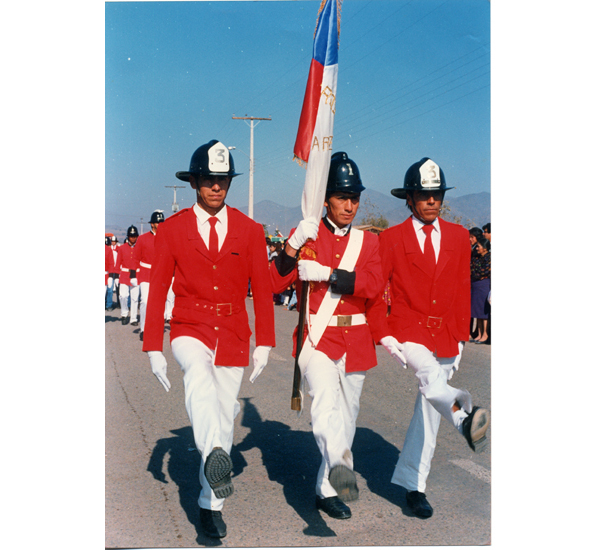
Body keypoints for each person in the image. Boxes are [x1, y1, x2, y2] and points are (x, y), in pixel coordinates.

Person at [142, 139, 276, 539]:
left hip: (233, 333)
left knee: (221, 415)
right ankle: (215, 454)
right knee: (197, 378)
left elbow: (264, 290)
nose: (216, 187)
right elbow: (157, 285)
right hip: (189, 327)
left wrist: (265, 342)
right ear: (195, 181)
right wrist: (153, 347)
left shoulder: (251, 231)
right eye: (209, 179)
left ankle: (210, 503)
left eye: (223, 180)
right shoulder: (173, 230)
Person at [369, 157, 490, 519]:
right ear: (409, 197)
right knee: (430, 378)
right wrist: (384, 334)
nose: (432, 201)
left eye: (437, 193)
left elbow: (460, 286)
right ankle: (465, 417)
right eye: (424, 194)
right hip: (409, 332)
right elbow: (376, 292)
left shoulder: (457, 236)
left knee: (428, 411)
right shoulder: (390, 239)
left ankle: (414, 487)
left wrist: (462, 337)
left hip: (447, 335)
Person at [271, 152, 384, 521]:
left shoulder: (367, 244)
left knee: (346, 420)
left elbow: (372, 285)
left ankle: (326, 490)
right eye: (341, 197)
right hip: (316, 340)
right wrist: (292, 245)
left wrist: (328, 273)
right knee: (323, 408)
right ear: (325, 199)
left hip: (356, 343)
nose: (349, 206)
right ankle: (339, 464)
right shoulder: (308, 234)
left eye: (354, 198)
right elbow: (275, 281)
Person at [134, 210, 165, 341]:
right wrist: (135, 276)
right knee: (145, 301)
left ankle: (155, 328)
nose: (161, 224)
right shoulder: (142, 238)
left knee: (158, 304)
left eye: (162, 222)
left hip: (160, 274)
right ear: (152, 224)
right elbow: (135, 258)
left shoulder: (166, 238)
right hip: (146, 274)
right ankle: (144, 329)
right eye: (158, 222)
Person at [116, 225, 141, 325]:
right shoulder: (122, 248)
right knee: (123, 296)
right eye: (131, 236)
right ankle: (124, 314)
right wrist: (117, 276)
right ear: (128, 237)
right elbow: (118, 263)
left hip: (136, 275)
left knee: (135, 298)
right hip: (124, 275)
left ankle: (133, 318)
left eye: (134, 236)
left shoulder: (140, 248)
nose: (133, 238)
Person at [470, 236, 491, 343]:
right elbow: (473, 269)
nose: (477, 248)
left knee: (483, 311)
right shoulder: (476, 258)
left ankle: (485, 334)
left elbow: (484, 271)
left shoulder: (489, 257)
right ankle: (479, 333)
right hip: (476, 285)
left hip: (484, 286)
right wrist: (477, 273)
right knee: (477, 311)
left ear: (485, 248)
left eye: (479, 246)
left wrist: (478, 273)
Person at [106, 235, 120, 310]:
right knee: (110, 289)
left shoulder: (119, 249)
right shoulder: (109, 249)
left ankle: (119, 303)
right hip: (111, 270)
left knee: (118, 288)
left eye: (114, 241)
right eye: (112, 241)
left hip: (117, 270)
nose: (113, 243)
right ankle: (109, 304)